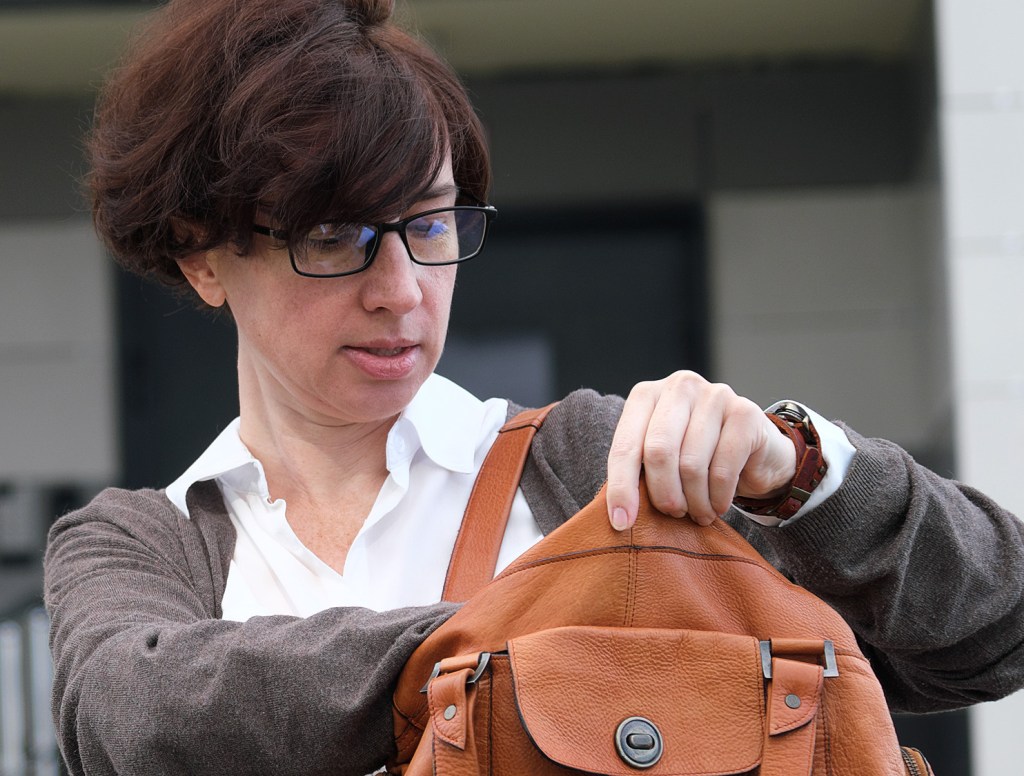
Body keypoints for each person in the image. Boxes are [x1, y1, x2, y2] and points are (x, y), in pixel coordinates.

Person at [44, 0, 1024, 773]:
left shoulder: (592, 462)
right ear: (203, 255)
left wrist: (798, 469)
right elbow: (132, 720)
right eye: (335, 237)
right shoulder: (143, 538)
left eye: (430, 225)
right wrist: (560, 633)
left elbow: (992, 630)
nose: (402, 291)